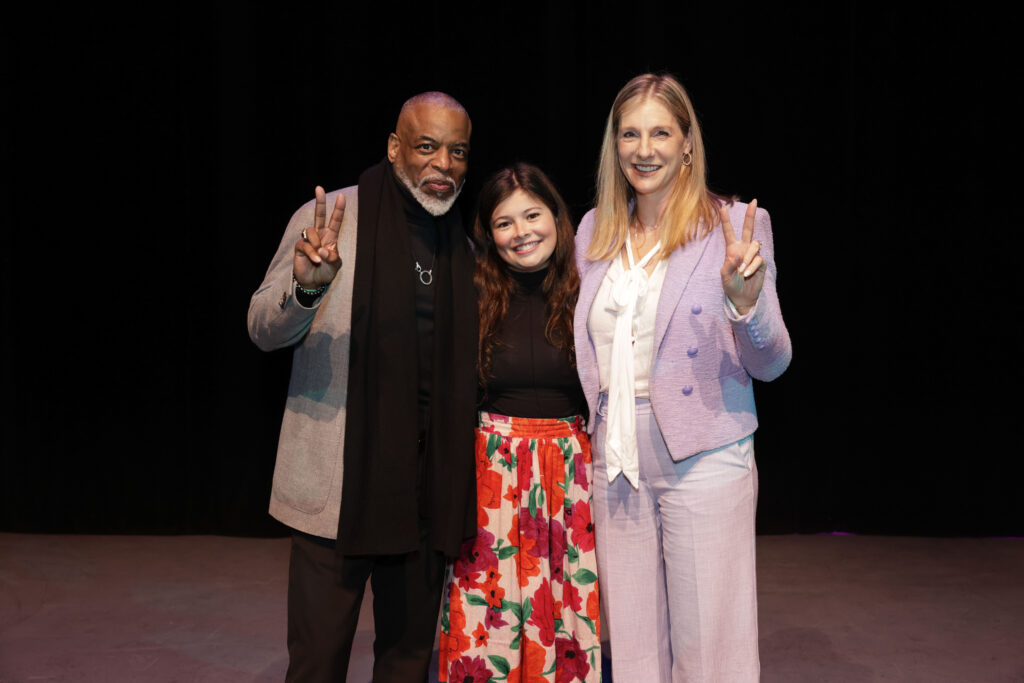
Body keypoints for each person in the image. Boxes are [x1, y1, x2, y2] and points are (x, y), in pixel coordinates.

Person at [247, 91, 479, 682]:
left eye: (457, 151)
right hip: (339, 490)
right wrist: (307, 290)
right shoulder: (330, 220)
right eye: (426, 147)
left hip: (426, 495)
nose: (443, 165)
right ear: (394, 148)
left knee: (405, 665)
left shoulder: (467, 247)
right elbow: (262, 329)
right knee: (317, 664)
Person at [573, 74, 792, 681]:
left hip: (704, 452)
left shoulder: (736, 225)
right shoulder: (593, 230)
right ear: (614, 147)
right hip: (615, 455)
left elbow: (772, 362)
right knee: (635, 646)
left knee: (711, 647)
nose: (645, 149)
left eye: (661, 133)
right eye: (631, 134)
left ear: (688, 143)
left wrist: (744, 304)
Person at [438, 164, 601, 683]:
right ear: (489, 233)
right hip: (492, 475)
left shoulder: (590, 290)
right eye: (505, 223)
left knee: (564, 614)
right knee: (490, 620)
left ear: (557, 216)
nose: (522, 231)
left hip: (570, 474)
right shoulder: (473, 292)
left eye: (533, 214)